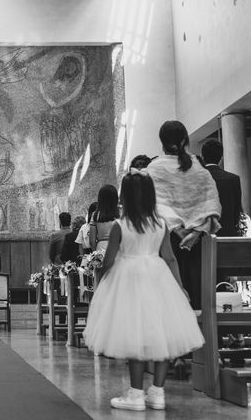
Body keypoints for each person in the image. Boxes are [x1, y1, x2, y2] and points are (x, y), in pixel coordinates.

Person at [83, 170, 204, 411]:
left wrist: (103, 282)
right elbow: (170, 259)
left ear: (124, 198)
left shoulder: (121, 225)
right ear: (150, 196)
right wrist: (179, 287)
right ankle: (158, 392)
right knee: (162, 334)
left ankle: (136, 395)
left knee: (133, 335)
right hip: (159, 278)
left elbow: (108, 261)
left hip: (128, 279)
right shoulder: (160, 224)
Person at [147, 121, 221, 309]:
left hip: (168, 241)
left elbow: (154, 205)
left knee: (171, 297)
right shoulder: (198, 167)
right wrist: (196, 232)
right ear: (185, 139)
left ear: (162, 142)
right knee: (198, 293)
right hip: (198, 242)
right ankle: (203, 336)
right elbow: (211, 203)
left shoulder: (154, 168)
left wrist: (177, 230)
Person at [201, 139, 242, 237]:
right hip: (227, 233)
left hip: (203, 234)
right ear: (221, 158)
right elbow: (237, 211)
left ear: (202, 157)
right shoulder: (233, 179)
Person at [89, 185, 119, 251]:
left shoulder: (95, 215)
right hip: (119, 246)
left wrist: (95, 253)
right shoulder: (121, 212)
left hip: (101, 248)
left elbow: (92, 241)